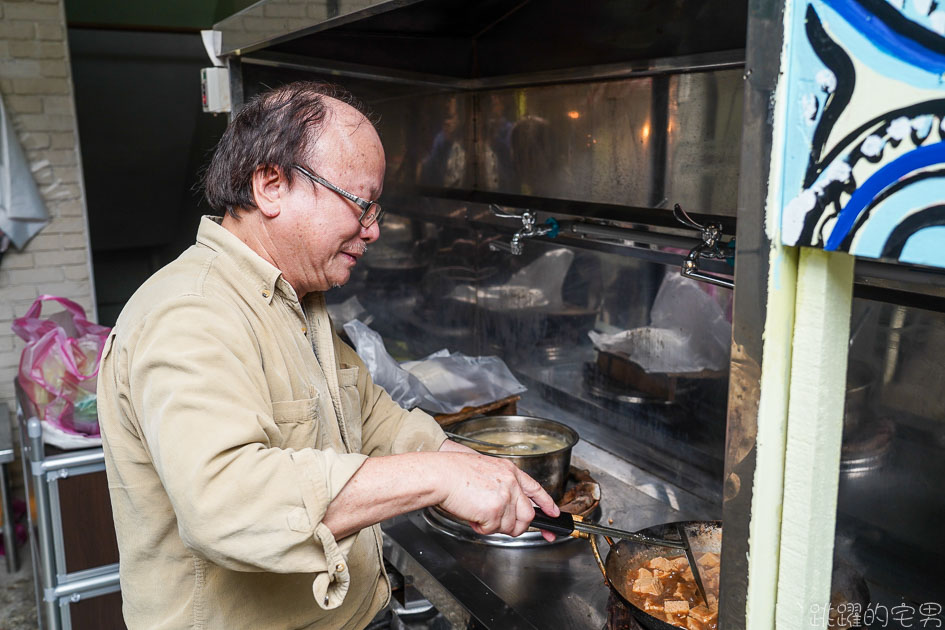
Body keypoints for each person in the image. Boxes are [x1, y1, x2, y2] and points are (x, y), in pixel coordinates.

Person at [96, 81, 559, 630]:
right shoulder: (191, 314)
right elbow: (225, 502)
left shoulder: (300, 301)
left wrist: (474, 468)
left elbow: (371, 416)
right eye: (361, 204)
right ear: (271, 185)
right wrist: (436, 477)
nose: (374, 230)